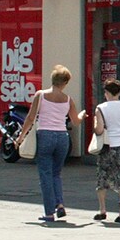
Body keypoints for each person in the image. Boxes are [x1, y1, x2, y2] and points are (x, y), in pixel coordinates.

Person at [17, 64, 77, 224]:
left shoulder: (41, 95)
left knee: (45, 174)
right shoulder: (68, 99)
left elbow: (30, 118)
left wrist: (21, 137)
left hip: (45, 135)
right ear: (65, 82)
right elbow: (76, 121)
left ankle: (49, 212)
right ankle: (60, 203)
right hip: (62, 137)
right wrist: (82, 116)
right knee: (56, 173)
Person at [89, 79, 120, 224]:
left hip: (107, 146)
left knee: (102, 179)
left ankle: (102, 210)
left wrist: (95, 122)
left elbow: (99, 130)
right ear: (119, 92)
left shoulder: (101, 108)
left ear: (106, 92)